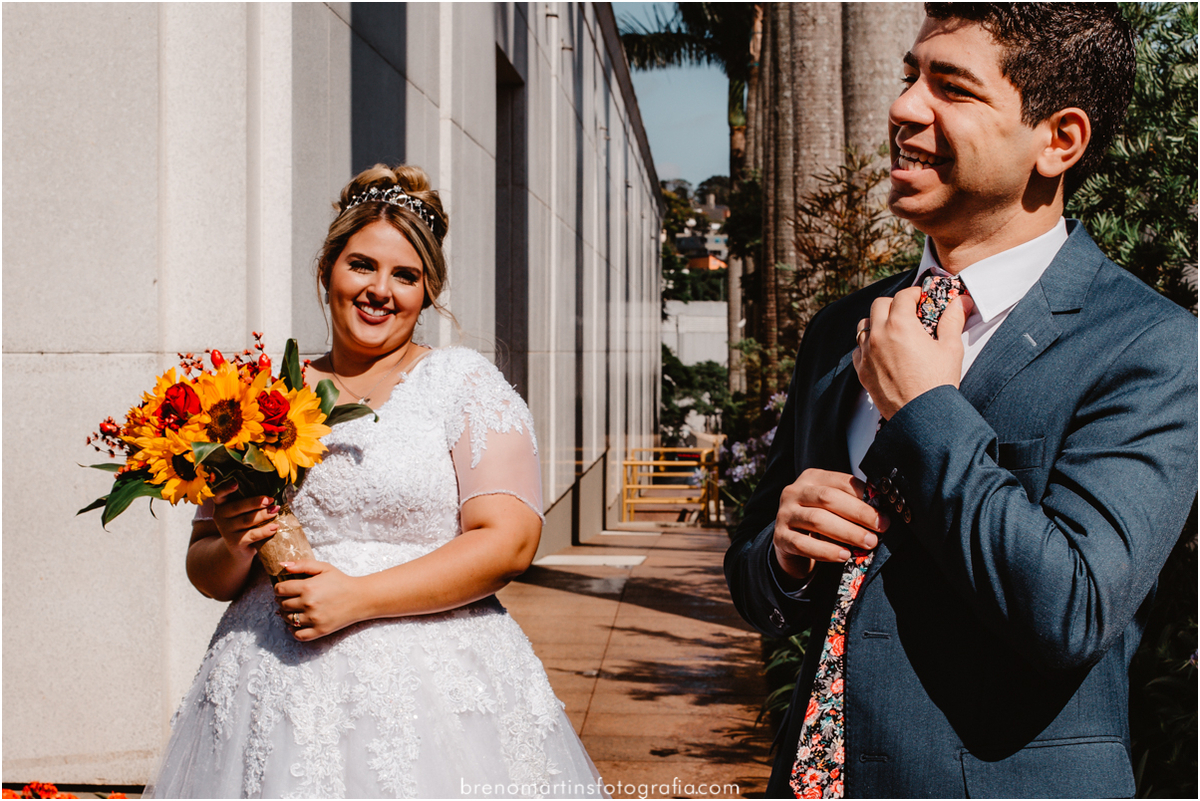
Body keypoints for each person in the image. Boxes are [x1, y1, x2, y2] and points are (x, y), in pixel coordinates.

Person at [725, 4, 1197, 798]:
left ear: (1059, 140)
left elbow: (1072, 609)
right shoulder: (843, 328)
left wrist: (925, 407)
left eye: (952, 87)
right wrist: (784, 549)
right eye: (912, 75)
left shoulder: (1151, 346)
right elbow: (754, 575)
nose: (905, 106)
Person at [145, 164, 605, 798]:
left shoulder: (464, 386)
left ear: (427, 291)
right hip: (271, 694)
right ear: (327, 270)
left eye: (405, 275)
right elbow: (207, 570)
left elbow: (510, 541)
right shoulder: (259, 394)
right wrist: (231, 540)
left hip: (436, 696)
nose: (379, 290)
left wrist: (357, 598)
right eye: (362, 265)